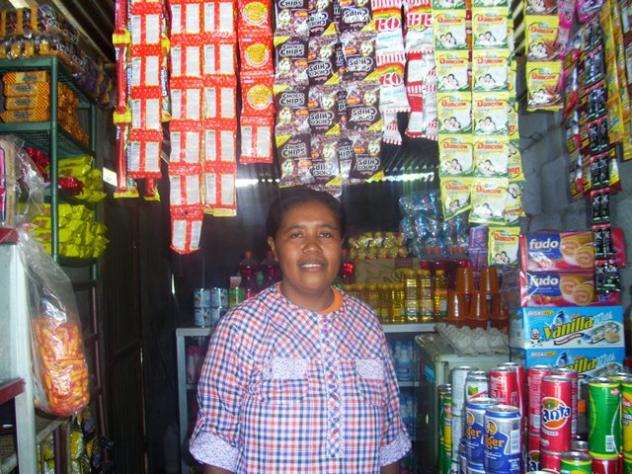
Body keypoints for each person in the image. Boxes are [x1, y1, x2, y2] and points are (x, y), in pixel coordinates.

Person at [189, 187, 411, 473]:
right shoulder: (241, 326)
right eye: (296, 235)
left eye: (326, 234)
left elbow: (389, 439)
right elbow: (218, 447)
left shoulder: (366, 322)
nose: (312, 246)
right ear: (274, 247)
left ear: (341, 245)